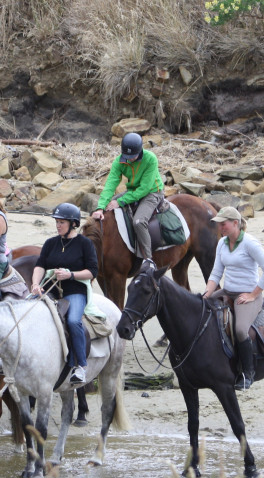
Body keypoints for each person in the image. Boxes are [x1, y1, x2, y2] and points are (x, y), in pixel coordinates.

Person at [202, 206, 264, 391]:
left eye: (223, 223)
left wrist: (252, 294)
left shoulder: (250, 243)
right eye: (218, 224)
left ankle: (248, 373)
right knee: (200, 310)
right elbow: (216, 272)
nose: (220, 227)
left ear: (236, 223)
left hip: (248, 295)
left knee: (241, 330)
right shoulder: (222, 243)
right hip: (228, 291)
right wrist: (206, 295)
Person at [31, 203, 99, 388]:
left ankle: (80, 366)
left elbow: (93, 271)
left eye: (61, 222)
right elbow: (40, 266)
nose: (58, 225)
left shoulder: (85, 244)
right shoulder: (50, 243)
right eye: (57, 222)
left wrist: (71, 275)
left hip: (75, 290)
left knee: (73, 321)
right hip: (50, 288)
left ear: (73, 224)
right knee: (26, 309)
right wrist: (36, 284)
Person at [90, 132, 165, 261]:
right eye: (127, 156)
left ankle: (148, 260)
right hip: (132, 191)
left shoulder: (150, 159)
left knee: (139, 221)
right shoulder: (119, 161)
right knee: (107, 207)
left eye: (133, 156)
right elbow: (110, 186)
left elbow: (145, 188)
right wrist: (100, 208)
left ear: (140, 151)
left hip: (152, 192)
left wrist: (120, 202)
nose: (130, 159)